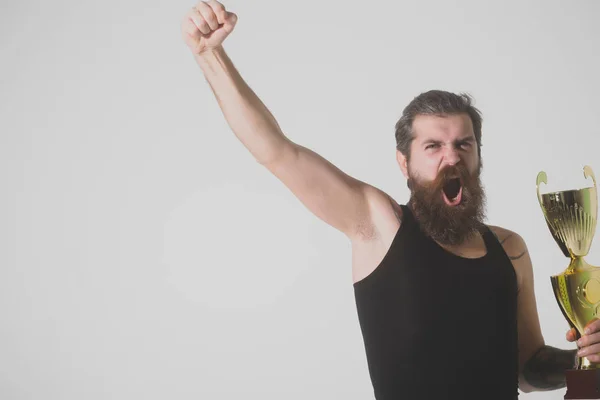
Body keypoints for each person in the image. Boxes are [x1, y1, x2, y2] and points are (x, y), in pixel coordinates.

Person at [180, 2, 600, 398]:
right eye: (433, 146)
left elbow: (527, 369)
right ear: (404, 162)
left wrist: (585, 361)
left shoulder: (510, 249)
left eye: (464, 145)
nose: (451, 157)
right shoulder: (377, 224)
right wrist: (209, 56)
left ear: (478, 155)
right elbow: (276, 150)